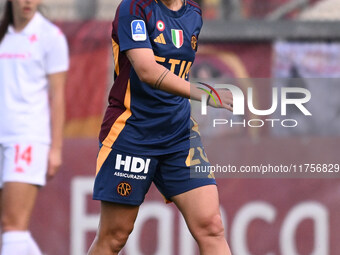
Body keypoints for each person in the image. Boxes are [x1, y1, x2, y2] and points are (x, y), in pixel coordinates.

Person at [88, 0, 233, 254]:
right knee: (114, 236)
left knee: (211, 226)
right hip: (132, 133)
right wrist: (207, 93)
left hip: (179, 135)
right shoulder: (133, 8)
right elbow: (147, 70)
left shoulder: (194, 14)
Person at [0, 0, 69, 254]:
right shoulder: (3, 35)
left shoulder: (50, 37)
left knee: (12, 226)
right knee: (11, 227)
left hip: (27, 139)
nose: (27, 1)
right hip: (2, 139)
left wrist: (56, 149)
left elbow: (58, 96)